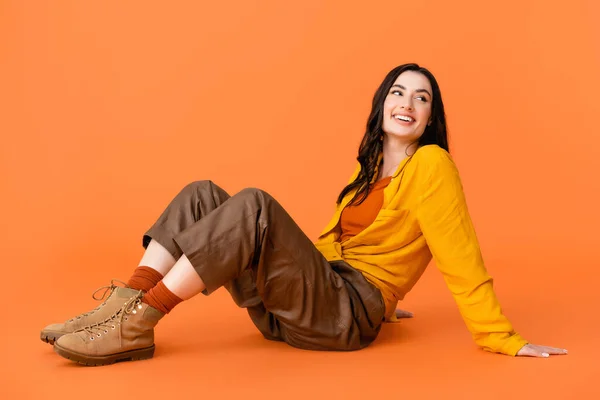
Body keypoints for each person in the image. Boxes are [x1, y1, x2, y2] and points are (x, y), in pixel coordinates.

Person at [41, 63, 567, 366]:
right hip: (313, 304)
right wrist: (392, 301)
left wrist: (500, 336)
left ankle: (136, 324)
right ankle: (116, 309)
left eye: (422, 97)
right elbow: (350, 251)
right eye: (398, 92)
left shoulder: (433, 165)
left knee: (255, 204)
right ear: (382, 104)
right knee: (201, 192)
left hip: (343, 317)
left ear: (431, 117)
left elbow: (459, 252)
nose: (407, 102)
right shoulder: (365, 173)